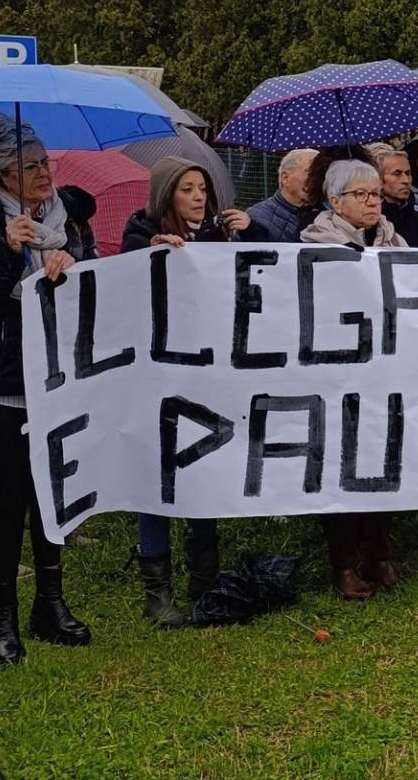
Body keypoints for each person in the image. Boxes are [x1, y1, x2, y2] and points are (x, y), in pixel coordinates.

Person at [121, 156, 258, 627]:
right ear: (165, 195)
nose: (199, 196)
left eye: (202, 187)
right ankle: (157, 594)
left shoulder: (221, 236)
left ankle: (205, 583)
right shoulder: (140, 235)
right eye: (187, 189)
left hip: (207, 376)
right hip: (155, 380)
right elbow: (123, 287)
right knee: (157, 480)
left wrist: (252, 234)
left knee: (202, 471)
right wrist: (151, 256)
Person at [0, 119, 92, 665]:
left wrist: (69, 261)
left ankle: (49, 604)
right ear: (2, 175)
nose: (43, 175)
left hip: (59, 376)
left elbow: (95, 276)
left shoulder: (65, 219)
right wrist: (10, 250)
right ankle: (2, 618)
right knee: (8, 501)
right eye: (29, 167)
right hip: (7, 380)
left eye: (46, 164)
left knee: (50, 495)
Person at [301, 159, 406, 599]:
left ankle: (378, 553)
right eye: (360, 195)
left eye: (375, 194)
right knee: (342, 465)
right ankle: (344, 563)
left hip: (384, 367)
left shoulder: (394, 241)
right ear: (335, 201)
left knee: (381, 458)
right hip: (336, 372)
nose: (371, 202)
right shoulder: (311, 244)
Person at [248, 147, 316, 243]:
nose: (317, 180)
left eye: (320, 174)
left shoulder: (327, 214)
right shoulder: (256, 219)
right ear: (285, 178)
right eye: (310, 173)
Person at [368, 145, 418, 247]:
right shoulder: (368, 223)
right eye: (397, 174)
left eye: (408, 173)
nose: (406, 181)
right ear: (378, 179)